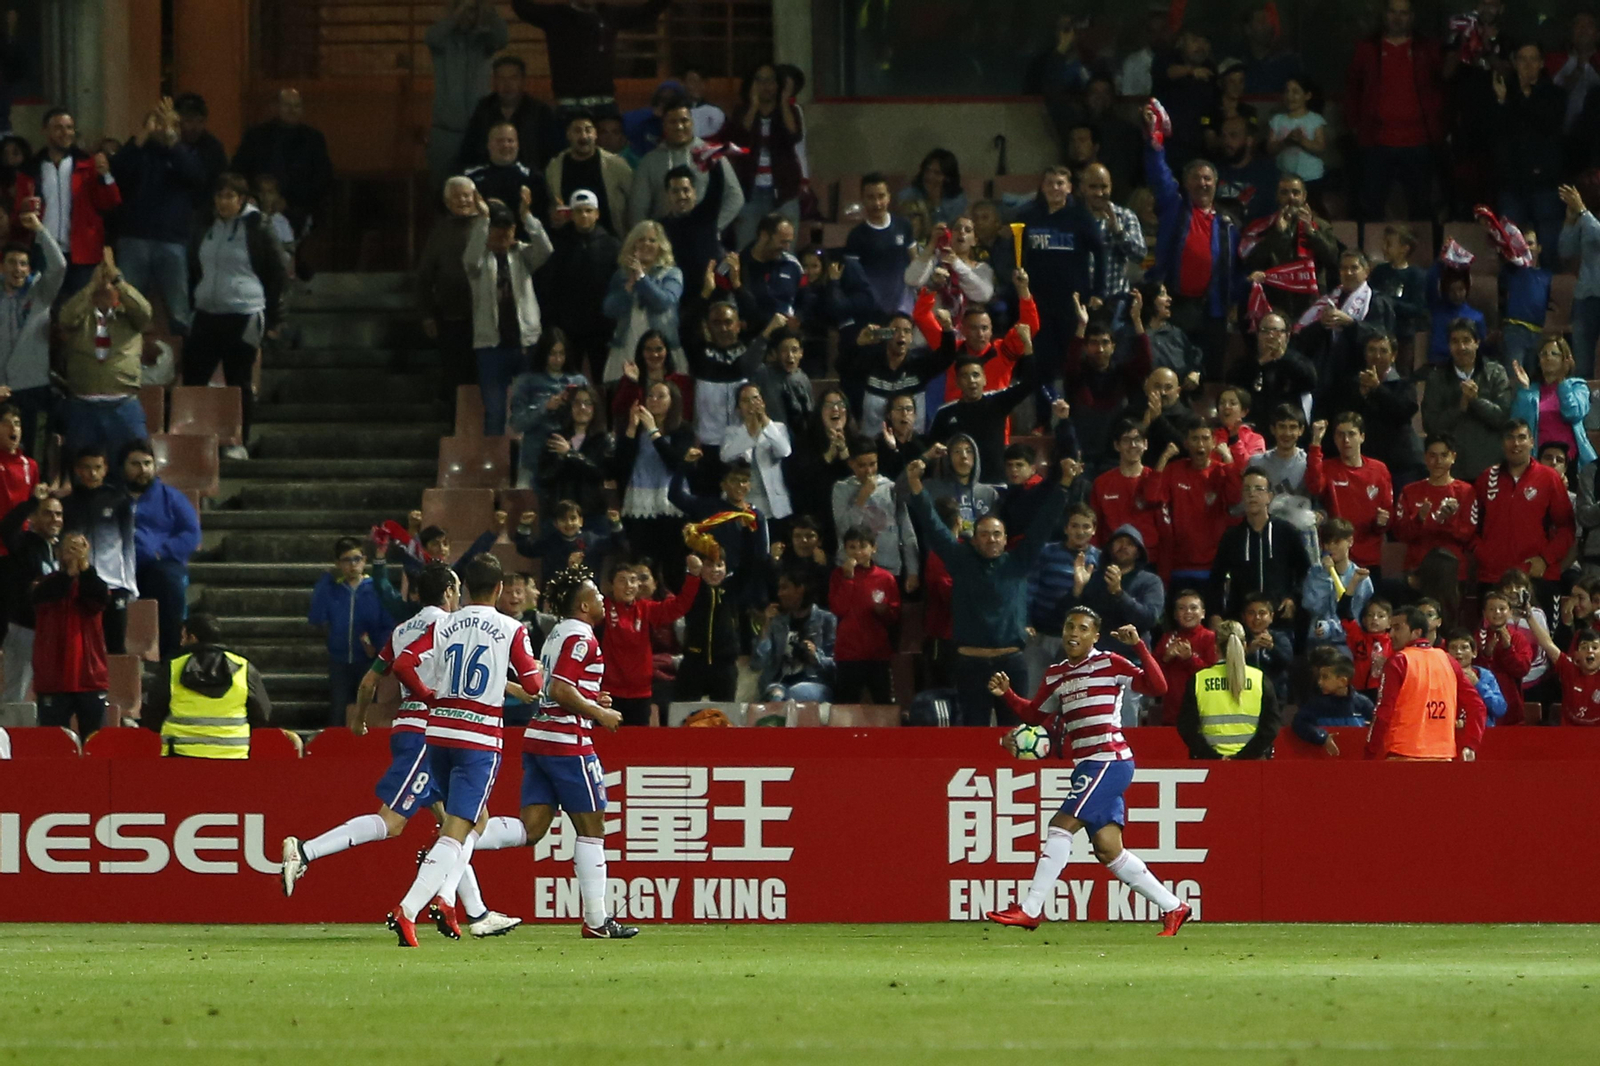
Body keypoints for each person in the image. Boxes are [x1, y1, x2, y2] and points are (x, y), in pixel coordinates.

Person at [279, 563, 522, 937]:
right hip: (432, 732)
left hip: (411, 727)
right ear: (447, 593)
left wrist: (360, 719)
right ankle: (306, 850)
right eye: (455, 588)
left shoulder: (402, 630)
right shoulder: (447, 626)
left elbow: (369, 681)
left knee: (464, 821)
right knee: (394, 822)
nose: (459, 595)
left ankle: (476, 912)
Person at [984, 607, 1190, 936]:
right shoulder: (1055, 674)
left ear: (1095, 636)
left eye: (1083, 628)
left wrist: (1138, 646)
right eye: (1069, 626)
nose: (1073, 634)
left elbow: (1158, 686)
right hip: (1087, 766)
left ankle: (1030, 908)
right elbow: (1035, 716)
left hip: (1110, 760)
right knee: (1109, 849)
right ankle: (1173, 906)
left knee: (1060, 826)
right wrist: (1007, 695)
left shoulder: (1110, 662)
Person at [385, 555, 551, 947]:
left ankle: (456, 902)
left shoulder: (444, 622)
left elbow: (404, 664)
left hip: (438, 733)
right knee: (459, 828)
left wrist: (429, 697)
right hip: (478, 737)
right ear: (497, 589)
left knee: (472, 823)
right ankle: (409, 908)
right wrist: (533, 678)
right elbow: (531, 682)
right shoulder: (511, 628)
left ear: (465, 589)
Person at [905, 455, 1076, 727]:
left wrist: (1064, 484)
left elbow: (1044, 524)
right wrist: (915, 486)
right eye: (984, 534)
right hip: (969, 665)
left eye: (997, 534)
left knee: (1015, 731)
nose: (991, 539)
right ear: (973, 538)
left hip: (1012, 663)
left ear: (1006, 539)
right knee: (974, 732)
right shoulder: (960, 560)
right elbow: (933, 526)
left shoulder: (1019, 561)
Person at [186, 172, 288, 455]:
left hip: (244, 312)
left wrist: (274, 315)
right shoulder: (205, 224)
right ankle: (192, 439)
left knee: (238, 380)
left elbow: (278, 270)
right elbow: (195, 264)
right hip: (207, 311)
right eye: (219, 196)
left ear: (242, 199)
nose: (222, 202)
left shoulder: (258, 226)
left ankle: (238, 441)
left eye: (229, 196)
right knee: (194, 376)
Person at [1142, 104, 1239, 377]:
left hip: (1214, 310)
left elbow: (1236, 268)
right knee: (1174, 370)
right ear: (1185, 184)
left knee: (1211, 373)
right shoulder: (1175, 208)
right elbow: (1159, 177)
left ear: (1216, 184)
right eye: (1196, 178)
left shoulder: (1229, 223)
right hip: (1176, 305)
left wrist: (1237, 298)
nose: (1202, 183)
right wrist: (1154, 144)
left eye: (1207, 178)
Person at [1344, 0, 1444, 223]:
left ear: (1412, 17)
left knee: (1421, 208)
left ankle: (1421, 257)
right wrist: (1354, 125)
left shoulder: (1427, 49)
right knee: (1371, 208)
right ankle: (1370, 256)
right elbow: (1352, 88)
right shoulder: (1367, 48)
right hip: (1377, 141)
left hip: (1419, 141)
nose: (1398, 18)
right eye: (1393, 12)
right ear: (1385, 15)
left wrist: (1439, 126)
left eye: (1403, 13)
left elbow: (1442, 86)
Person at [111, 98, 204, 338]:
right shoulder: (137, 153)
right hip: (134, 238)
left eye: (171, 124)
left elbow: (194, 176)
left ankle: (182, 363)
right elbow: (118, 171)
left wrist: (172, 139)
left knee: (179, 312)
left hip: (172, 240)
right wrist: (143, 135)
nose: (163, 128)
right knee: (126, 306)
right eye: (159, 123)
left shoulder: (185, 153)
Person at [465, 190, 553, 435]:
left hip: (525, 343)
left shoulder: (522, 254)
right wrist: (483, 220)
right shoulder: (478, 260)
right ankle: (496, 469)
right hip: (490, 347)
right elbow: (471, 257)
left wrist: (527, 217)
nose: (504, 232)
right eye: (497, 227)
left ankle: (525, 465)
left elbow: (546, 250)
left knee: (529, 410)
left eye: (508, 226)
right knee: (495, 412)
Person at [11, 108, 120, 296]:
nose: (65, 133)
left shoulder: (88, 165)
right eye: (59, 128)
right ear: (44, 131)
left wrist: (105, 176)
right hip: (43, 250)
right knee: (43, 308)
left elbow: (109, 203)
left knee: (78, 310)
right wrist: (23, 209)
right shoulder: (31, 169)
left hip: (81, 252)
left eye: (69, 128)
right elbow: (18, 214)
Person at [1011, 166, 1106, 378]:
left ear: (1070, 188)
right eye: (1050, 183)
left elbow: (1100, 253)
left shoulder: (1081, 216)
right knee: (1041, 358)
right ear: (1042, 187)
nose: (1055, 188)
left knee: (1072, 358)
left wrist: (1098, 291)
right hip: (1037, 300)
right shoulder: (1028, 215)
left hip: (1072, 300)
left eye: (1060, 183)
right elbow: (1015, 253)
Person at [1366, 604, 1487, 760]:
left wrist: (1370, 751)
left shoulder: (1399, 661)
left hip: (1403, 753)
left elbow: (1383, 712)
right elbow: (1477, 706)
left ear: (1416, 632)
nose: (1390, 635)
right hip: (1443, 755)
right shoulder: (1448, 660)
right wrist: (1471, 744)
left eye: (1397, 628)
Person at [511, 0, 669, 118]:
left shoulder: (609, 14)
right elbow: (521, 7)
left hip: (604, 105)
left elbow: (647, 12)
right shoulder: (556, 15)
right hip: (569, 107)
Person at [144, 612, 270, 758]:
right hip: (233, 757)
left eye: (183, 637)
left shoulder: (173, 668)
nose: (181, 643)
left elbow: (152, 714)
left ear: (193, 638)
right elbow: (262, 714)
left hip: (180, 756)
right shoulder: (244, 668)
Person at [1473, 419, 1575, 593]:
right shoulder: (1486, 478)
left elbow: (1566, 528)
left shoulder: (1549, 478)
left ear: (1532, 441)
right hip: (1493, 575)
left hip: (1537, 576)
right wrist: (1485, 555)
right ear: (1502, 442)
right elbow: (1472, 525)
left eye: (1522, 437)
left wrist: (1545, 559)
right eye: (1510, 438)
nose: (1516, 443)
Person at [601, 553, 701, 727]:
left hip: (641, 694)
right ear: (611, 585)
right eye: (622, 580)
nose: (629, 586)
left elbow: (679, 606)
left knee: (637, 748)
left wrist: (693, 576)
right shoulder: (601, 609)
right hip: (609, 692)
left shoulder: (646, 609)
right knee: (608, 747)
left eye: (633, 580)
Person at [120, 440, 199, 660]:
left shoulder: (172, 498)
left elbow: (191, 533)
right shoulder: (112, 497)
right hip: (119, 566)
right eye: (135, 464)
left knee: (168, 581)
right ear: (123, 467)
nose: (143, 469)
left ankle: (171, 653)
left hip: (159, 565)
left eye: (147, 463)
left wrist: (160, 552)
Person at [1143, 419, 1246, 586]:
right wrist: (1164, 457)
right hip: (1179, 564)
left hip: (1214, 563)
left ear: (1213, 443)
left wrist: (1228, 458)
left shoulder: (1222, 470)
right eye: (1195, 439)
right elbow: (1151, 497)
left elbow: (1235, 498)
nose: (1200, 444)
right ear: (1186, 443)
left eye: (1205, 438)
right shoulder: (1174, 469)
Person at [308, 536, 393, 728]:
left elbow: (387, 624)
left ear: (365, 560)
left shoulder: (376, 589)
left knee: (366, 710)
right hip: (339, 661)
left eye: (357, 559)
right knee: (338, 710)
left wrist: (378, 649)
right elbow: (316, 617)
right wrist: (324, 582)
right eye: (347, 560)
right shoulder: (332, 589)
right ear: (338, 563)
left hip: (368, 662)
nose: (353, 565)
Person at [30, 532, 108, 737]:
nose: (73, 553)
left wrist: (83, 568)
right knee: (52, 744)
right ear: (58, 553)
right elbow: (48, 595)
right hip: (52, 678)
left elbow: (97, 599)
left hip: (90, 677)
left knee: (95, 744)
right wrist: (70, 572)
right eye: (69, 548)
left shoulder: (94, 584)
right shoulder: (44, 585)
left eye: (78, 548)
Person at [1207, 468, 1311, 622]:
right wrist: (1215, 614)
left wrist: (1293, 598)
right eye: (1247, 489)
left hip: (1280, 620)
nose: (1252, 494)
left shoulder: (1287, 532)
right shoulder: (1232, 537)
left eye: (1258, 489)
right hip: (1241, 622)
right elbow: (1216, 578)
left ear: (1269, 496)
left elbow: (1306, 572)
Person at [627, 99, 743, 235]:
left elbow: (735, 196)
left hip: (704, 238)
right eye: (673, 122)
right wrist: (647, 237)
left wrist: (713, 227)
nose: (679, 127)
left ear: (692, 123)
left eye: (684, 121)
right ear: (663, 125)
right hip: (664, 240)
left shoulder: (712, 155)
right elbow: (638, 208)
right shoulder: (649, 162)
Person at [425, 0, 509, 187]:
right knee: (441, 190)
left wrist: (488, 11)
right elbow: (432, 37)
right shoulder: (442, 41)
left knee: (478, 189)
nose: (467, 15)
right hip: (445, 131)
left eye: (472, 11)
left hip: (478, 130)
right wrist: (458, 13)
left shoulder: (485, 40)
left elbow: (502, 38)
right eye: (463, 9)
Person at [230, 89, 333, 239]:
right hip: (256, 209)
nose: (292, 110)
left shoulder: (313, 139)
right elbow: (239, 170)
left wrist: (290, 202)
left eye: (296, 106)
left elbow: (322, 177)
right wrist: (254, 198)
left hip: (298, 211)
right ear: (276, 107)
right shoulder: (256, 136)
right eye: (287, 105)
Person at [0, 208, 62, 455]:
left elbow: (59, 265)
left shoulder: (41, 294)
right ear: (2, 266)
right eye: (12, 262)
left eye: (23, 264)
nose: (18, 268)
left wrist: (40, 230)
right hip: (1, 389)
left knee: (34, 455)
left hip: (34, 388)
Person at [723, 63, 805, 249]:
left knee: (785, 250)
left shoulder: (790, 111)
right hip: (750, 192)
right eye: (759, 80)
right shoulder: (742, 111)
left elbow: (794, 135)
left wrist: (784, 102)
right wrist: (753, 106)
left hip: (784, 191)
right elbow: (738, 140)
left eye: (770, 80)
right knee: (747, 248)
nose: (765, 86)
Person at [1421, 318, 1512, 483]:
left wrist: (1476, 401)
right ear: (1449, 346)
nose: (1461, 347)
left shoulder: (1496, 373)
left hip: (1490, 468)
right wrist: (1459, 407)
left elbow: (1503, 418)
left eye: (1466, 341)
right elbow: (1431, 425)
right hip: (1452, 472)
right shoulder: (1437, 378)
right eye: (1455, 341)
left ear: (1477, 342)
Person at [1176, 618, 1281, 759]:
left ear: (1215, 648)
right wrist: (1244, 757)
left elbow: (1187, 727)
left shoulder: (1199, 680)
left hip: (1209, 765)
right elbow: (1271, 727)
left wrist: (1214, 757)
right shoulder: (1260, 679)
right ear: (1244, 645)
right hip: (1253, 764)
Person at [602, 220, 684, 384]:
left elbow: (663, 302)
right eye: (641, 239)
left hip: (661, 351)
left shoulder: (672, 274)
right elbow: (609, 309)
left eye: (652, 240)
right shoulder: (621, 275)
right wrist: (629, 287)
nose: (646, 244)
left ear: (661, 245)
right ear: (633, 245)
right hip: (626, 347)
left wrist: (642, 278)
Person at [0, 486, 60, 701]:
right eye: (47, 513)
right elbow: (7, 527)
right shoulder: (24, 543)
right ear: (33, 517)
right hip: (24, 628)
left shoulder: (61, 549)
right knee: (16, 691)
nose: (54, 519)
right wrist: (32, 501)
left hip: (51, 632)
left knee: (48, 694)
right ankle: (7, 733)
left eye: (58, 514)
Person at [832, 437, 918, 587]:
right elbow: (843, 530)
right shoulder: (841, 489)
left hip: (888, 568)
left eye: (873, 464)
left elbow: (906, 530)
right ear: (851, 463)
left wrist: (913, 571)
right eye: (862, 465)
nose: (869, 471)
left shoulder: (890, 487)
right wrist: (862, 497)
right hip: (852, 568)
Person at [829, 527, 900, 703]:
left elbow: (895, 616)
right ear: (845, 549)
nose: (858, 552)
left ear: (873, 548)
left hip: (878, 654)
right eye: (852, 547)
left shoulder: (886, 578)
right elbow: (839, 609)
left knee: (883, 705)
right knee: (846, 707)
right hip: (848, 654)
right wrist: (848, 578)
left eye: (863, 547)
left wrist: (885, 611)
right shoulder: (838, 576)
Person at [459, 55, 558, 174]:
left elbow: (551, 154)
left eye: (513, 78)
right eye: (501, 78)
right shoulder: (484, 109)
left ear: (523, 80)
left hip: (530, 178)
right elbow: (469, 150)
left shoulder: (540, 111)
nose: (507, 84)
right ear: (494, 81)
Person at [1510, 337, 1595, 471]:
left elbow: (1573, 414)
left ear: (1565, 360)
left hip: (1570, 460)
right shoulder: (1530, 390)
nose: (1548, 357)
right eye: (1544, 354)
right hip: (1540, 460)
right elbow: (1519, 423)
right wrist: (1525, 389)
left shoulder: (1577, 387)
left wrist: (1562, 383)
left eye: (1554, 354)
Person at [754, 569, 837, 703]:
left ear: (800, 589)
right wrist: (766, 625)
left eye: (785, 588)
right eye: (779, 588)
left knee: (797, 693)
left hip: (815, 682)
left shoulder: (827, 620)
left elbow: (836, 666)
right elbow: (757, 663)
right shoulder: (779, 622)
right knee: (775, 696)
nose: (779, 593)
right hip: (780, 683)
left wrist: (816, 656)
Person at [545, 110, 632, 238]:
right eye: (577, 131)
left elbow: (634, 202)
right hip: (569, 243)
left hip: (612, 241)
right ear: (568, 134)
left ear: (595, 134)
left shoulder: (617, 166)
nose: (584, 136)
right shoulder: (555, 167)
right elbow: (551, 203)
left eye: (588, 130)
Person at [845, 173, 916, 319]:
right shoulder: (856, 236)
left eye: (881, 196)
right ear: (863, 199)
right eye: (871, 197)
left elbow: (915, 262)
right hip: (871, 309)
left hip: (903, 308)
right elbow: (854, 278)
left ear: (889, 197)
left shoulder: (903, 226)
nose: (877, 203)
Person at [465, 121, 551, 239]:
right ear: (489, 144)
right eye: (500, 141)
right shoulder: (470, 178)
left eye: (510, 141)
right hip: (480, 244)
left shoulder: (533, 178)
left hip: (522, 247)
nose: (505, 145)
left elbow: (543, 219)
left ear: (518, 145)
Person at [1526, 608, 1600, 727]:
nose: (1589, 651)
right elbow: (1547, 644)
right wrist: (1529, 617)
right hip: (1567, 735)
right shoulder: (1569, 668)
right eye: (1584, 647)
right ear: (1576, 655)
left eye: (1595, 647)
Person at [1291, 656, 1374, 755]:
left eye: (1325, 677)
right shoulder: (1315, 705)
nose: (1319, 682)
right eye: (1319, 677)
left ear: (1342, 681)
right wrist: (1322, 737)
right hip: (1325, 762)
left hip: (1359, 760)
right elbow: (1299, 723)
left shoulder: (1364, 704)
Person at [1559, 184, 1600, 377]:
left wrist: (1583, 211)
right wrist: (1570, 221)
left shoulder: (1588, 218)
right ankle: (1582, 405)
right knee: (1582, 364)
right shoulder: (1587, 219)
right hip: (1585, 298)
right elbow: (1565, 251)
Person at [1266, 77, 1327, 204]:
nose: (1290, 96)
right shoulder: (1277, 120)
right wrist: (1285, 142)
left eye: (1295, 92)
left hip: (1311, 177)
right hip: (1285, 178)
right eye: (1287, 91)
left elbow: (1321, 147)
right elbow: (1269, 149)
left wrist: (1302, 140)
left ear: (1307, 95)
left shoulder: (1315, 119)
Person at [172, 94, 229, 204]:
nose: (195, 127)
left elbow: (220, 182)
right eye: (189, 120)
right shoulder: (165, 145)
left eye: (200, 121)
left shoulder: (213, 147)